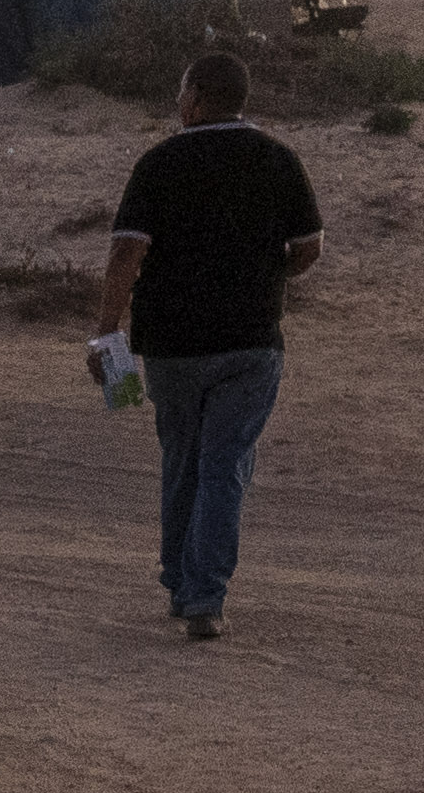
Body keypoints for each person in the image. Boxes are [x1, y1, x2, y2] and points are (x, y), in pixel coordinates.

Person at [92, 44, 322, 643]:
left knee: (183, 458)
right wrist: (266, 277)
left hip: (171, 345)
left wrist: (108, 330)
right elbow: (308, 248)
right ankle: (204, 596)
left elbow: (126, 252)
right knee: (225, 465)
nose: (176, 103)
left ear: (195, 100)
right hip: (251, 343)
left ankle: (180, 580)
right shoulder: (279, 160)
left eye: (180, 94)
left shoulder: (159, 163)